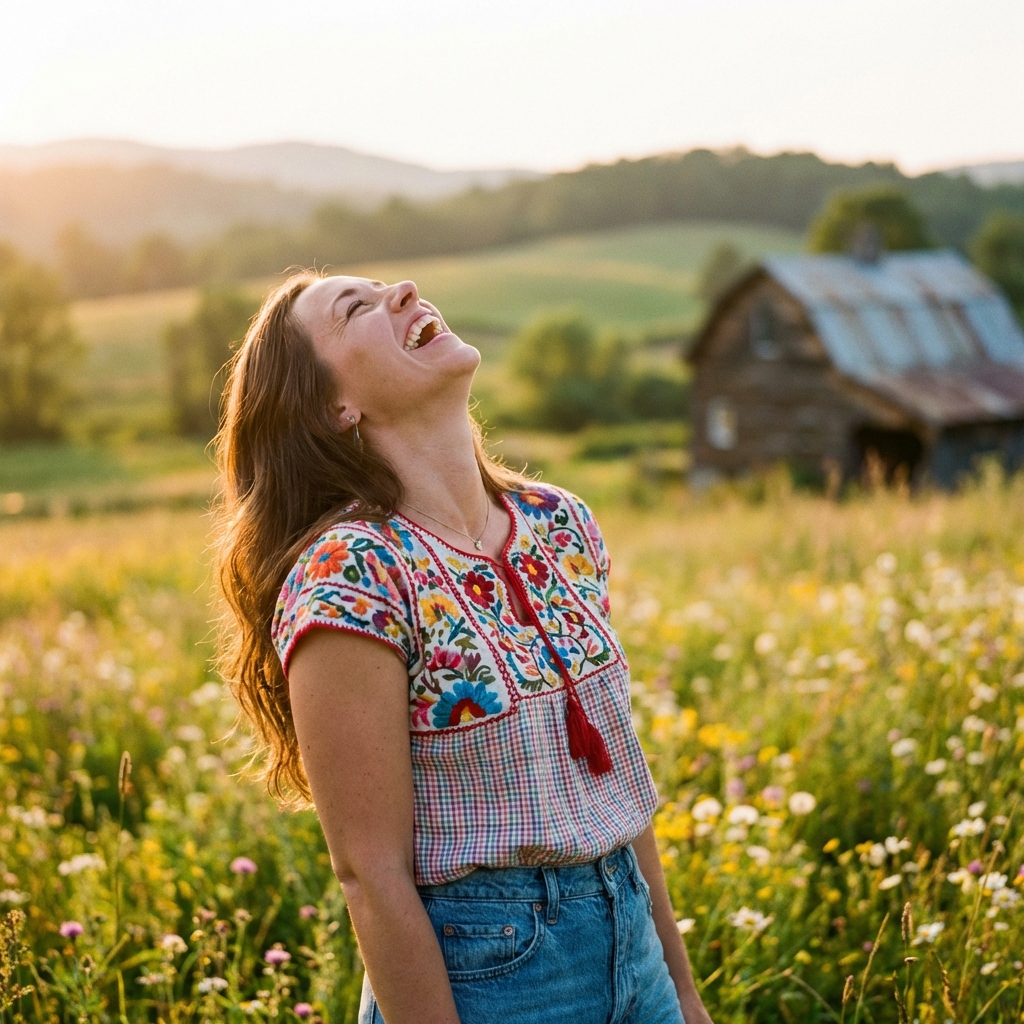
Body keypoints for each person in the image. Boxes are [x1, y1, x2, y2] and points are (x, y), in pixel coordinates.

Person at [214, 272, 714, 1024]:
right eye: (357, 308)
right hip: (492, 976)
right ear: (333, 408)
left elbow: (617, 792)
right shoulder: (352, 570)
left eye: (385, 284)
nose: (403, 290)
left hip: (635, 943)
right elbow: (371, 876)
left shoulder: (558, 522)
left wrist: (682, 992)